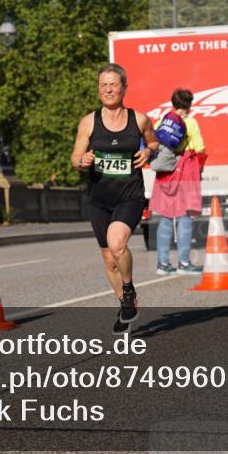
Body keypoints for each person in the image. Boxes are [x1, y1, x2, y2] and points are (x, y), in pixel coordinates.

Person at [71, 63, 158, 334]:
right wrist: (82, 161)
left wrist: (149, 152)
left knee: (117, 243)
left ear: (124, 88)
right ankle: (125, 305)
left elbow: (153, 142)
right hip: (98, 198)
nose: (108, 90)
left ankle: (129, 290)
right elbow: (75, 157)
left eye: (113, 84)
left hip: (129, 195)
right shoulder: (88, 122)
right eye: (103, 85)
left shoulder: (139, 119)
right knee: (109, 259)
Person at [150, 89, 206, 275]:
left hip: (165, 174)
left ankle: (162, 264)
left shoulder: (161, 121)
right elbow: (200, 149)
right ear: (189, 105)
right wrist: (199, 170)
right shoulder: (191, 122)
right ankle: (183, 263)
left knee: (165, 218)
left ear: (173, 103)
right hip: (185, 173)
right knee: (185, 217)